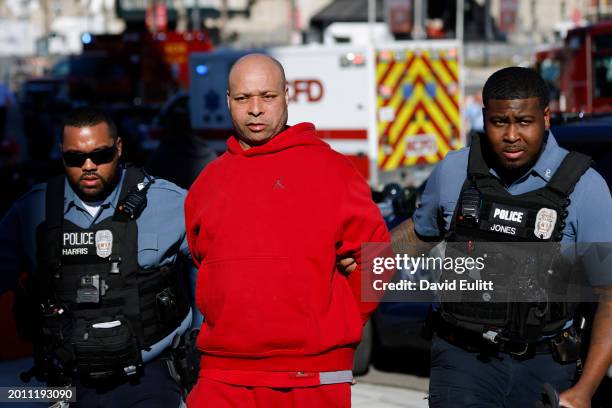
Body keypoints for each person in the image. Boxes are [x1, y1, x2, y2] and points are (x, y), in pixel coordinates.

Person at [387, 67, 612, 408]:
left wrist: (585, 390)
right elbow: (420, 234)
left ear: (546, 118)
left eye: (524, 121)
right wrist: (362, 258)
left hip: (545, 364)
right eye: (499, 122)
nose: (511, 135)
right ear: (484, 118)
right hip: (462, 360)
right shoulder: (454, 171)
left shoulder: (586, 187)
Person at [184, 53, 390, 407]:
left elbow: (379, 258)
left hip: (312, 379)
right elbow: (204, 264)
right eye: (244, 98)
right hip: (222, 377)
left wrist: (338, 319)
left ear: (287, 95)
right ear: (228, 101)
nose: (255, 109)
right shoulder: (207, 184)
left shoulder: (332, 171)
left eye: (267, 96)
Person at [0, 107, 199, 407]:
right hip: (65, 384)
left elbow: (212, 270)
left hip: (150, 377)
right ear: (61, 153)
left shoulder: (168, 202)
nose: (89, 165)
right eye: (75, 158)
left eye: (101, 155)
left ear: (119, 148)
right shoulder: (31, 210)